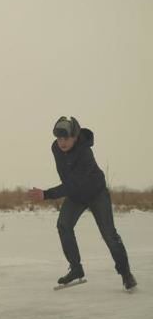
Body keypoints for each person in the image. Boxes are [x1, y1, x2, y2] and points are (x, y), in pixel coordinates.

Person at [28, 116, 136, 290]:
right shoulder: (55, 148)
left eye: (66, 138)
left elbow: (74, 183)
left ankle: (126, 274)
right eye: (59, 138)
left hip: (96, 193)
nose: (61, 142)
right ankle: (76, 269)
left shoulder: (85, 152)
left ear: (75, 137)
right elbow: (68, 179)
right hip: (76, 195)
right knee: (63, 225)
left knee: (109, 234)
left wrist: (46, 194)